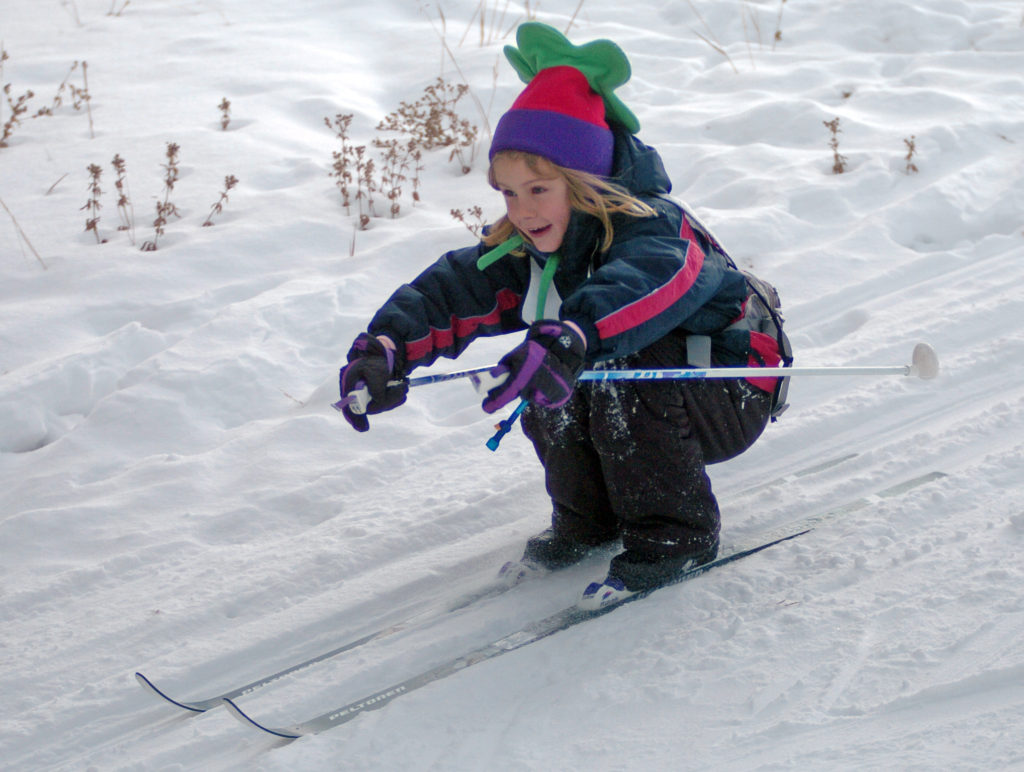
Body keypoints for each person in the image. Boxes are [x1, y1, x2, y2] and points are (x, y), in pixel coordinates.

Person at [338, 22, 791, 609]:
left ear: (583, 182)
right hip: (666, 386)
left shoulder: (656, 229)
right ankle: (590, 520)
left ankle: (675, 534)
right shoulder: (531, 247)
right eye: (508, 192)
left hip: (732, 386)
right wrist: (385, 348)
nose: (522, 210)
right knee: (551, 370)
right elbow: (451, 292)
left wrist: (572, 336)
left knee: (600, 360)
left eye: (538, 188)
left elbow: (642, 288)